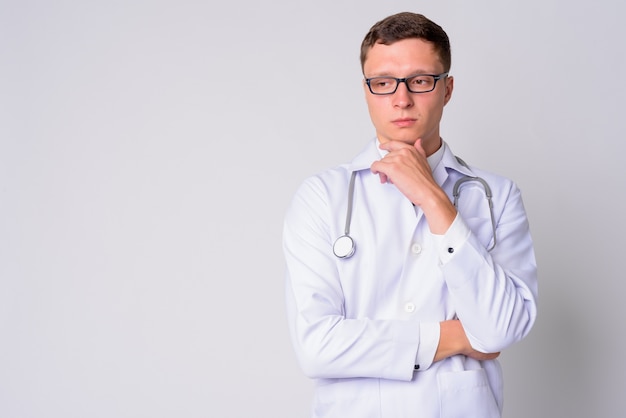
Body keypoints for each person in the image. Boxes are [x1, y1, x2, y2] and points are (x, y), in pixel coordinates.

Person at [283, 11, 538, 418]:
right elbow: (316, 347)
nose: (401, 99)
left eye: (420, 81)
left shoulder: (497, 196)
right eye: (383, 83)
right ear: (366, 90)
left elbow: (503, 328)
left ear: (447, 89)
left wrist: (434, 199)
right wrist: (453, 336)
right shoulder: (322, 197)